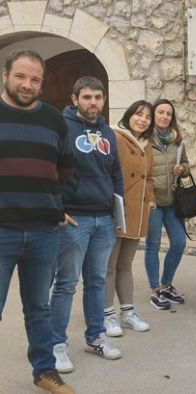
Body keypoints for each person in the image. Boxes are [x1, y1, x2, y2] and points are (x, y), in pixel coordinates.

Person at [0, 49, 76, 394]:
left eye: (35, 79)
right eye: (20, 76)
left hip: (45, 231)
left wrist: (49, 204)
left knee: (38, 307)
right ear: (5, 75)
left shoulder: (55, 120)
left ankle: (44, 371)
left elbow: (63, 171)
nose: (27, 84)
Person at [50, 76, 124, 374]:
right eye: (87, 97)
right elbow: (50, 170)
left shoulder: (108, 132)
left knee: (96, 282)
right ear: (75, 99)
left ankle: (95, 337)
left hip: (104, 219)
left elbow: (115, 173)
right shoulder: (62, 129)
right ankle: (56, 345)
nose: (93, 102)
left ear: (104, 100)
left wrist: (118, 214)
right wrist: (57, 209)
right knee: (66, 284)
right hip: (74, 219)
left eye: (98, 97)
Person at [103, 100, 155, 337]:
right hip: (117, 209)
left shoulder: (148, 144)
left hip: (137, 212)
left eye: (147, 116)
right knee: (109, 266)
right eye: (138, 114)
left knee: (125, 264)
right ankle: (106, 314)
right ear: (129, 114)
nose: (143, 119)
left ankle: (128, 312)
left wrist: (151, 199)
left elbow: (150, 177)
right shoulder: (114, 136)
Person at [144, 98, 189, 310]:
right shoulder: (144, 139)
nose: (164, 116)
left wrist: (183, 170)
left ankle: (165, 284)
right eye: (160, 112)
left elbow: (186, 166)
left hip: (172, 201)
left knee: (179, 243)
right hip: (153, 201)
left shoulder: (177, 141)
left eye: (168, 113)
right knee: (152, 246)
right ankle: (155, 291)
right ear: (153, 115)